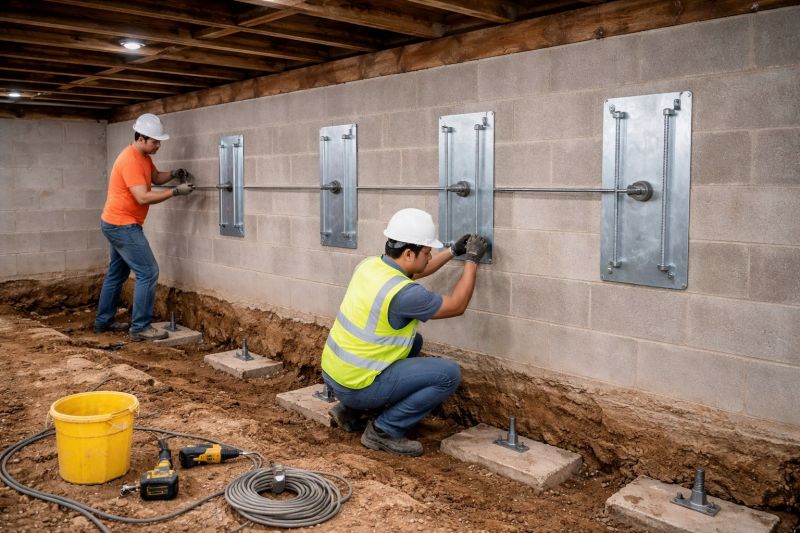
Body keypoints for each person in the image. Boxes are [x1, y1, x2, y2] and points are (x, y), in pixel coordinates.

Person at [321, 208, 488, 456]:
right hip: (358, 385)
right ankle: (383, 431)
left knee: (413, 342)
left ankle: (350, 411)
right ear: (409, 253)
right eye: (427, 252)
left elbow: (417, 270)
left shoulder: (370, 265)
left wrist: (453, 252)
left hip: (337, 376)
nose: (430, 257)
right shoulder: (404, 294)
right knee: (448, 374)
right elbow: (456, 305)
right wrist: (472, 261)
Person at [93, 113, 195, 341]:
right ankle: (140, 328)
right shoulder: (130, 160)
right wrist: (176, 192)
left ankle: (103, 321)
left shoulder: (143, 156)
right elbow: (143, 197)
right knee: (148, 272)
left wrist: (174, 174)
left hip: (115, 222)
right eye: (155, 141)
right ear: (141, 138)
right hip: (122, 225)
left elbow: (155, 177)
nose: (158, 145)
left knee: (117, 274)